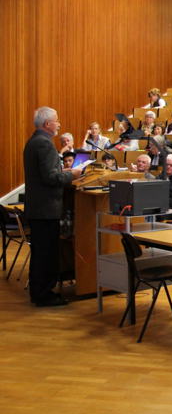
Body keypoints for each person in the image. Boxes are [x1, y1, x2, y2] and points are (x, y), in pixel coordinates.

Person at [24, 107, 82, 306]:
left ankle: (40, 291)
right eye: (56, 121)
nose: (59, 124)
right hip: (46, 209)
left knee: (41, 253)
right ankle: (43, 294)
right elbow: (51, 177)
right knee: (46, 253)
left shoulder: (33, 141)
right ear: (47, 124)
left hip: (38, 208)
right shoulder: (45, 144)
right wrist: (72, 175)